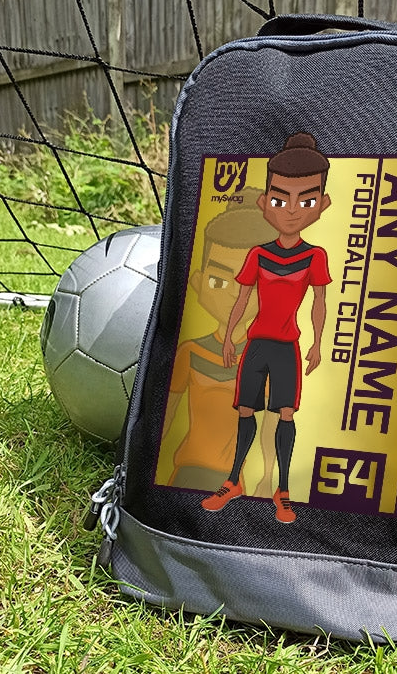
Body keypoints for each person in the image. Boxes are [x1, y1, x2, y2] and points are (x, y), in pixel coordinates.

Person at [202, 132, 332, 523]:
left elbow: (319, 302)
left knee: (285, 414)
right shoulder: (258, 254)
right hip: (256, 344)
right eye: (279, 200)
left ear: (322, 204)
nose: (291, 210)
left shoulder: (315, 256)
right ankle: (233, 481)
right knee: (246, 410)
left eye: (305, 201)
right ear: (265, 204)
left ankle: (283, 490)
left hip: (287, 347)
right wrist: (229, 337)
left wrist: (317, 344)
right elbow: (242, 299)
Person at [162, 190, 278, 493]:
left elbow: (272, 427)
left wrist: (269, 477)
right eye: (218, 281)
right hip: (185, 472)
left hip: (232, 482)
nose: (235, 294)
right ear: (198, 282)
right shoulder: (190, 352)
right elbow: (166, 415)